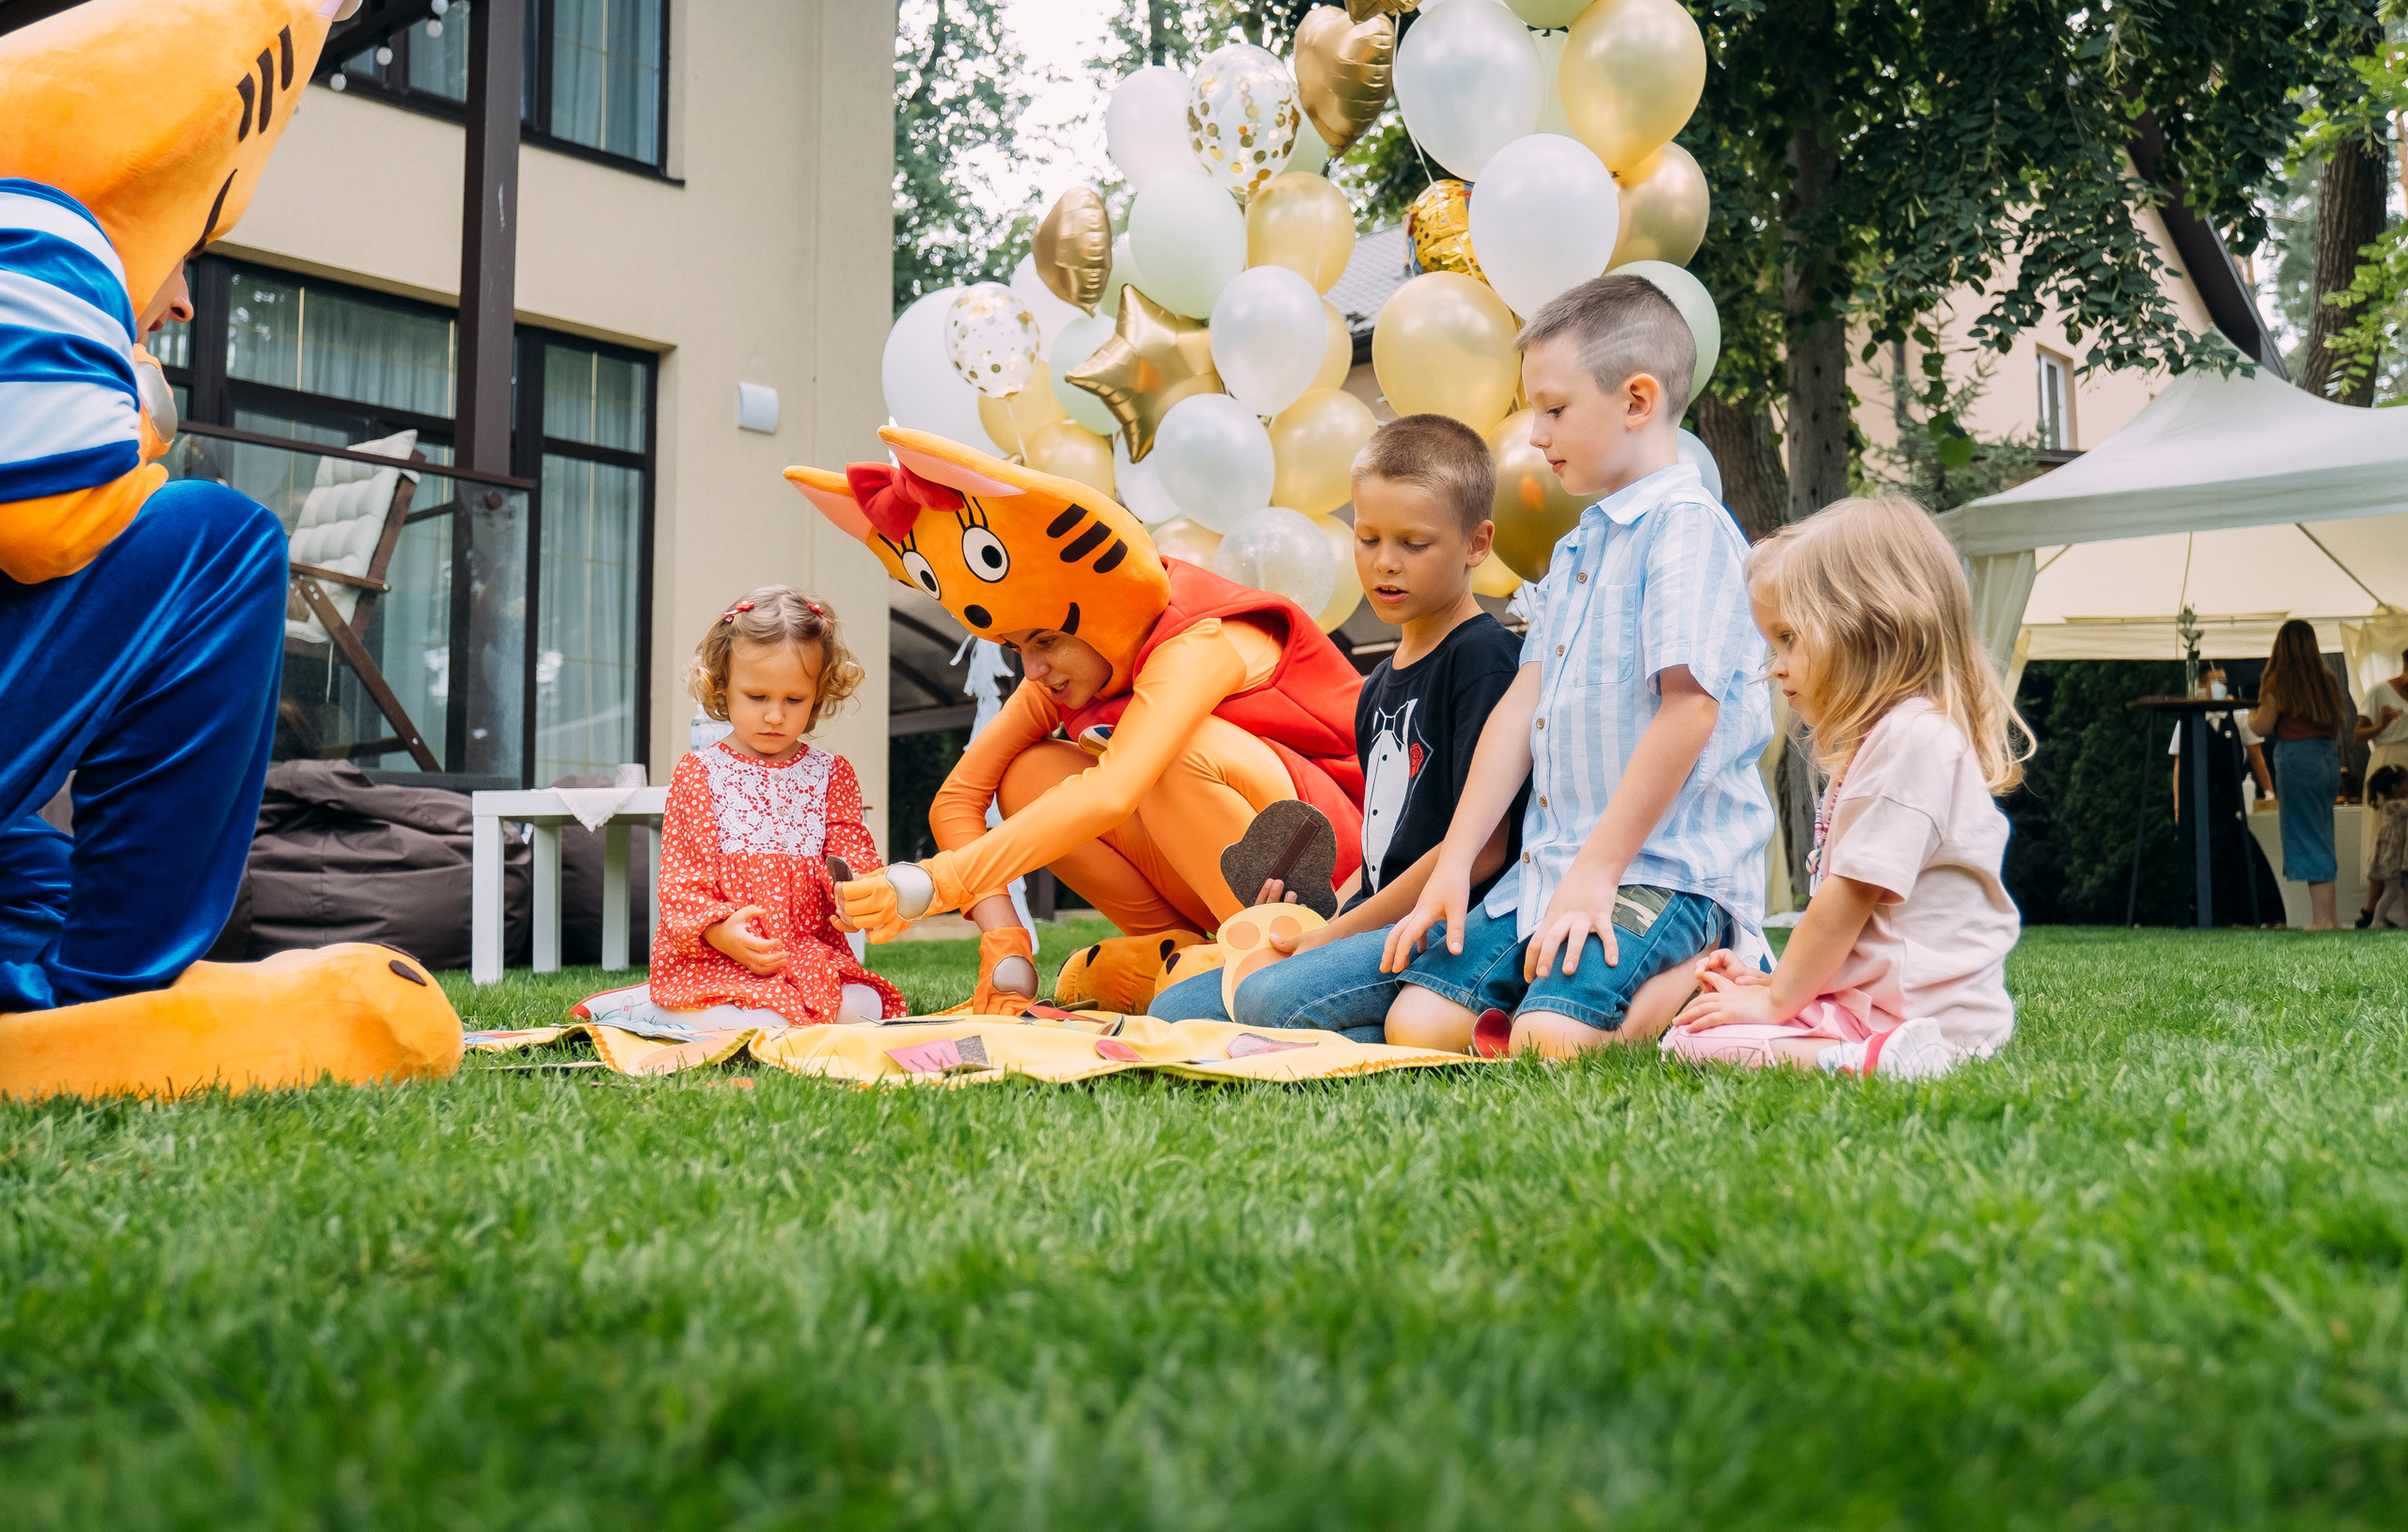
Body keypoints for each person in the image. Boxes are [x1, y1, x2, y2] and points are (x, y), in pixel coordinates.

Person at [1, 0, 465, 1103]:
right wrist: (133, 388)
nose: (181, 298)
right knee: (218, 540)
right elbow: (50, 511)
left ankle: (45, 978)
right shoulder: (40, 224)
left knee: (29, 870)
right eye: (187, 250)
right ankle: (109, 1003)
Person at [787, 430, 1364, 1015]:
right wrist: (1005, 944)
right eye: (1015, 647)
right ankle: (1182, 951)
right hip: (1229, 858)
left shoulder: (1197, 641)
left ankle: (1272, 952)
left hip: (1339, 868)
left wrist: (934, 884)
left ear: (1094, 602)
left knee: (1167, 752)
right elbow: (958, 798)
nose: (1032, 667)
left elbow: (1113, 793)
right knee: (1028, 775)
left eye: (1044, 639)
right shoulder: (1075, 660)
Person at [1378, 274, 1775, 1059]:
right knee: (1416, 1026)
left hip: (1661, 874)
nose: (1535, 433)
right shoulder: (1579, 547)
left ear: (1636, 400)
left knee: (1550, 1045)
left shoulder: (1686, 529)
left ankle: (1716, 969)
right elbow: (1521, 709)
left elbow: (1689, 710)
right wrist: (1454, 862)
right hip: (1554, 870)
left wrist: (1598, 872)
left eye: (1554, 410)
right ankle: (1563, 983)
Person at [1146, 415, 1528, 1038]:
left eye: (1414, 543)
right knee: (1173, 1012)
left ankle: (1416, 1022)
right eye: (1369, 538)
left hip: (1441, 930)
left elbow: (1481, 846)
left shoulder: (1483, 660)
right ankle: (1338, 1027)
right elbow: (1387, 846)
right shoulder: (1376, 685)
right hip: (1369, 927)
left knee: (1269, 1000)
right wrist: (1315, 910)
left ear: (1476, 544)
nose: (1385, 563)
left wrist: (1332, 938)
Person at [1664, 498, 2029, 1077]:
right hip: (1886, 1005)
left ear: (1869, 625)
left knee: (1691, 1044)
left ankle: (1872, 1060)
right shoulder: (1891, 739)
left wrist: (1777, 999)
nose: (1773, 667)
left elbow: (1848, 898)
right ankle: (1861, 1053)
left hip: (1925, 1018)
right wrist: (1773, 982)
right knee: (1697, 1028)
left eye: (1788, 638)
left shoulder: (1912, 740)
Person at [577, 590, 902, 1030]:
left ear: (818, 694)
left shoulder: (831, 774)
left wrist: (858, 895)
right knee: (757, 1025)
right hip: (717, 957)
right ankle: (635, 1007)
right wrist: (720, 932)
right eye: (756, 696)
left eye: (794, 700)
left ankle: (716, 1015)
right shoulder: (700, 773)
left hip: (800, 954)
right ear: (721, 686)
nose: (775, 716)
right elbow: (682, 881)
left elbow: (851, 854)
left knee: (864, 1008)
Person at [2248, 619, 2351, 930]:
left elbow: (2262, 726)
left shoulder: (2278, 681)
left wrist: (2249, 715)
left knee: (2306, 836)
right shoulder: (2326, 680)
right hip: (2327, 759)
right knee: (2322, 833)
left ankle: (2321, 920)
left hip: (2297, 759)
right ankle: (2330, 917)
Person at [2364, 764, 2407, 930]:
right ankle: (2375, 922)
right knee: (2392, 891)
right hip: (2391, 857)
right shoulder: (2393, 806)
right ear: (2395, 787)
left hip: (2399, 857)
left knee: (2404, 889)